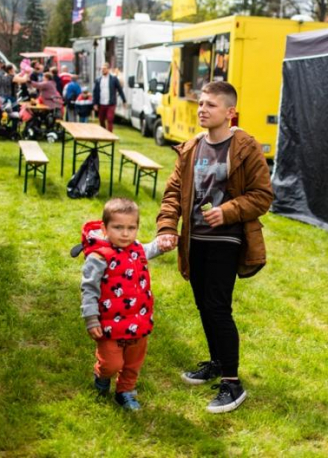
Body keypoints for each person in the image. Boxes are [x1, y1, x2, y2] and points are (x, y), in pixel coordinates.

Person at [156, 81, 273, 414]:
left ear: (230, 112)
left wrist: (229, 211)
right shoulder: (191, 147)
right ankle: (218, 362)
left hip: (227, 238)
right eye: (201, 104)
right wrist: (167, 228)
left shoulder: (245, 146)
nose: (202, 109)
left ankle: (232, 383)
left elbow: (262, 196)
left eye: (210, 105)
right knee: (203, 305)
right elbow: (172, 195)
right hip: (196, 240)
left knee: (217, 306)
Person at [79, 198, 170, 411]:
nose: (125, 233)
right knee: (112, 363)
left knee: (132, 364)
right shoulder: (99, 257)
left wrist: (163, 244)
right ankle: (102, 374)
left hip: (139, 321)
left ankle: (125, 392)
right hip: (109, 325)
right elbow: (89, 289)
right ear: (104, 228)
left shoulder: (137, 248)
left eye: (131, 228)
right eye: (118, 227)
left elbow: (151, 248)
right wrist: (91, 319)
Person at [93, 62, 126, 132]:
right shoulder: (98, 80)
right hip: (101, 103)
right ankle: (103, 132)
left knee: (110, 119)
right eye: (102, 69)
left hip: (110, 103)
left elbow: (120, 90)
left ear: (108, 69)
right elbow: (95, 92)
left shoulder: (113, 79)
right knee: (101, 120)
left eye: (104, 69)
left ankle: (110, 135)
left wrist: (124, 100)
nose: (103, 70)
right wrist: (95, 103)